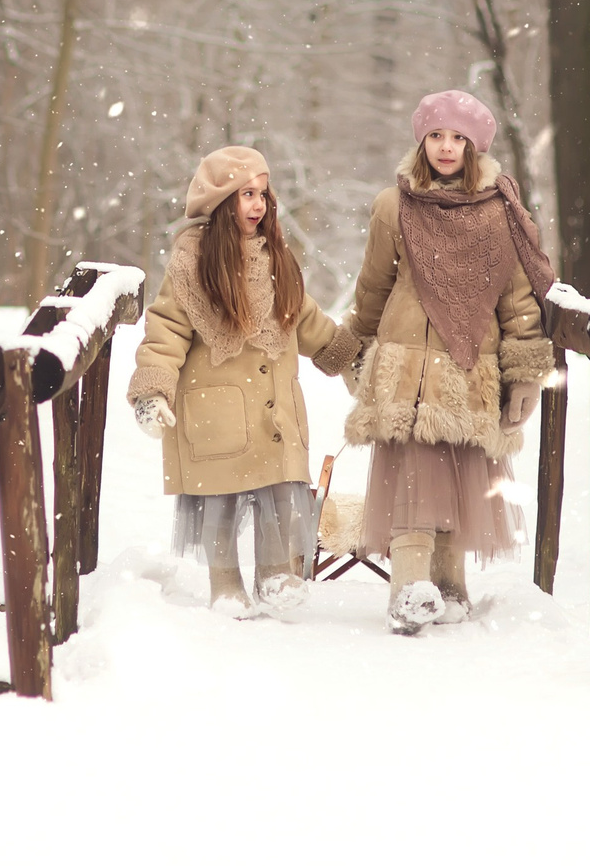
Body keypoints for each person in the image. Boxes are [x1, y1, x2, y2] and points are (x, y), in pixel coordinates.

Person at [343, 91, 557, 633]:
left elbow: (517, 300)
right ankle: (407, 591)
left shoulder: (499, 213)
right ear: (421, 141)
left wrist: (526, 373)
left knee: (460, 475)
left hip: (469, 367)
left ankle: (450, 586)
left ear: (475, 146)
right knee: (413, 476)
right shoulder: (393, 206)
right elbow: (374, 286)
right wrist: (353, 349)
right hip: (407, 366)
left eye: (457, 137)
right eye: (436, 136)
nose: (445, 147)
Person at [128, 145, 361, 617]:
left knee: (279, 492)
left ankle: (276, 576)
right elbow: (167, 329)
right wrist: (152, 389)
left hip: (273, 405)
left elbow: (306, 319)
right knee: (221, 498)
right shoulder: (192, 263)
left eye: (262, 193)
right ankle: (226, 583)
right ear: (219, 202)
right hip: (217, 409)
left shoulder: (276, 257)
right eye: (245, 194)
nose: (257, 204)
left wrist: (348, 355)